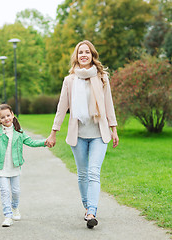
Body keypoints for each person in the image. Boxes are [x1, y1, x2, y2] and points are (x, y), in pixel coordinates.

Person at [45, 40, 119, 229]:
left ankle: (92, 211)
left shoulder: (102, 78)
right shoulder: (69, 80)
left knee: (94, 172)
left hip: (98, 134)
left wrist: (114, 128)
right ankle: (87, 207)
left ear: (92, 55)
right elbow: (62, 108)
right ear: (76, 57)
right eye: (80, 53)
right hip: (78, 135)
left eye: (87, 52)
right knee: (83, 174)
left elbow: (108, 104)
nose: (84, 55)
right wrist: (54, 132)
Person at [0, 104, 47, 227]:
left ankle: (15, 208)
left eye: (8, 115)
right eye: (2, 117)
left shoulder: (19, 132)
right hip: (1, 167)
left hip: (14, 166)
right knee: (5, 191)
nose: (6, 119)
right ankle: (7, 215)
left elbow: (31, 142)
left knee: (16, 191)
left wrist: (45, 142)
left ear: (12, 115)